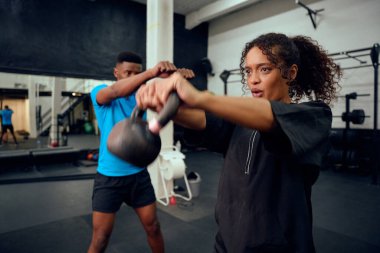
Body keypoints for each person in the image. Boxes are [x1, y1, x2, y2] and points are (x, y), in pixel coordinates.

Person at [136, 33, 342, 253]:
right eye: (248, 71)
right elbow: (200, 119)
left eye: (264, 69)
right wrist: (162, 101)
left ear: (290, 73)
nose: (253, 79)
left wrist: (200, 96)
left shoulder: (313, 117)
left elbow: (271, 117)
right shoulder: (239, 123)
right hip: (228, 242)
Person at [88, 51, 194, 253]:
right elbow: (115, 92)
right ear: (116, 72)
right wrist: (150, 72)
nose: (132, 77)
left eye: (135, 73)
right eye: (127, 73)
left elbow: (174, 105)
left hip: (138, 177)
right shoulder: (100, 92)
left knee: (153, 227)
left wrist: (177, 80)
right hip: (109, 178)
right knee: (100, 239)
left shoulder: (142, 94)